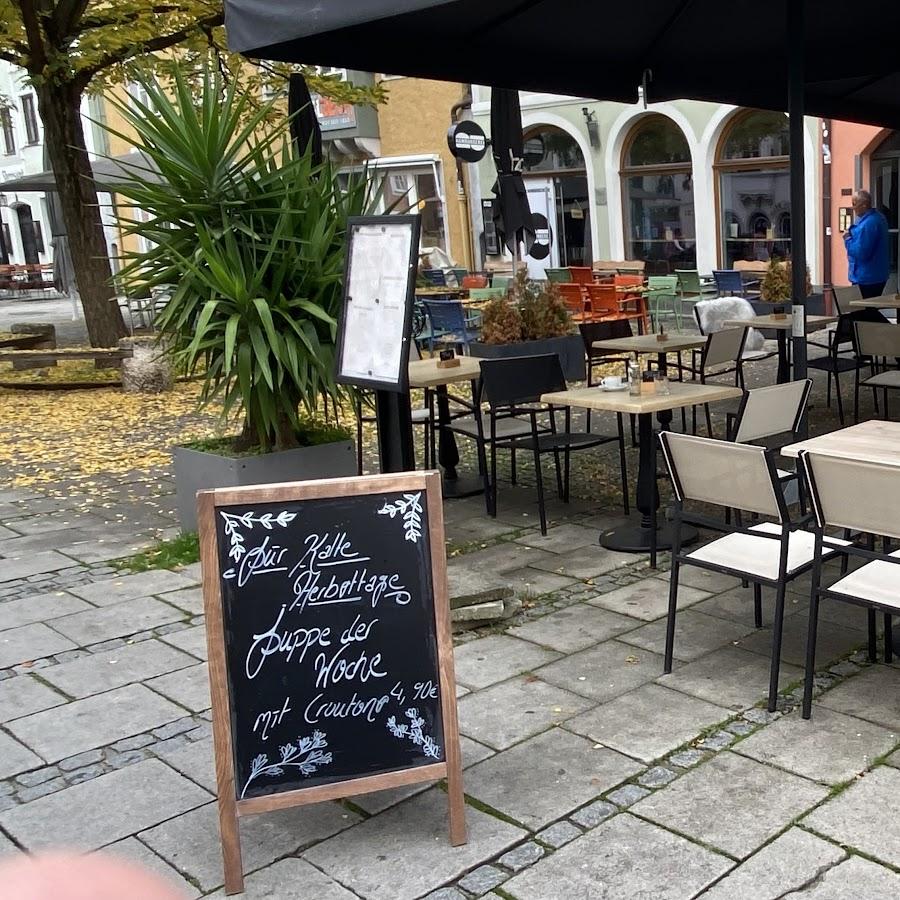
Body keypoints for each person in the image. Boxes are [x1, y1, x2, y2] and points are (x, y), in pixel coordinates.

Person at [844, 189, 890, 298]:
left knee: (864, 306)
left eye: (855, 204)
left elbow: (861, 252)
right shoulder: (877, 218)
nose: (853, 208)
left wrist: (848, 239)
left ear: (864, 205)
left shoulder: (869, 223)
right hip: (875, 275)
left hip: (867, 277)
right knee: (870, 306)